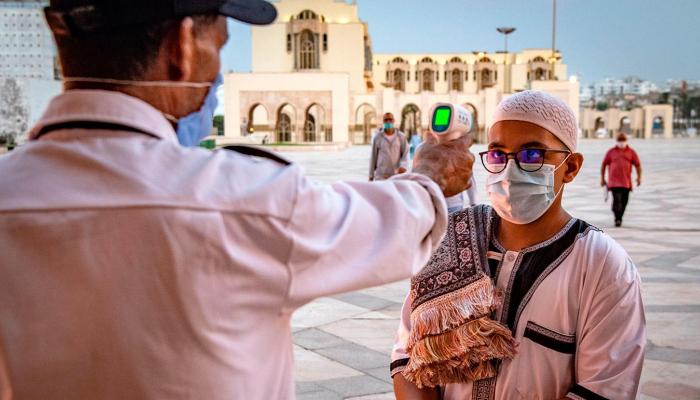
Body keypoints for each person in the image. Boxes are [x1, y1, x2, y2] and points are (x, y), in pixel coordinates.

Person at [0, 1, 476, 399]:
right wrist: (429, 172)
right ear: (181, 47)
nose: (220, 75)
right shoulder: (249, 201)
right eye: (221, 45)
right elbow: (391, 225)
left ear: (57, 32)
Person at [391, 91, 645, 400]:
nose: (510, 171)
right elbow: (409, 362)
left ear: (571, 167)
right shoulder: (451, 239)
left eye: (532, 155)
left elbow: (604, 388)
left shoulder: (601, 265)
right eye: (498, 154)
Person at [601, 133, 642, 227]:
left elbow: (638, 165)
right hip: (614, 182)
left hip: (626, 183)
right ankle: (617, 219)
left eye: (623, 140)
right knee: (617, 200)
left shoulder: (631, 152)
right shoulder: (611, 152)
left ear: (626, 141)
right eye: (620, 140)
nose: (621, 142)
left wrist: (639, 177)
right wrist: (602, 178)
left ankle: (619, 216)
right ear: (617, 141)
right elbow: (604, 165)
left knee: (624, 202)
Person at [369, 112, 410, 181]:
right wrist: (371, 175)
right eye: (386, 120)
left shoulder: (401, 137)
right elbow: (373, 157)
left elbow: (406, 153)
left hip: (396, 176)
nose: (388, 121)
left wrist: (403, 166)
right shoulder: (378, 137)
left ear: (393, 121)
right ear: (383, 121)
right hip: (381, 176)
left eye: (390, 119)